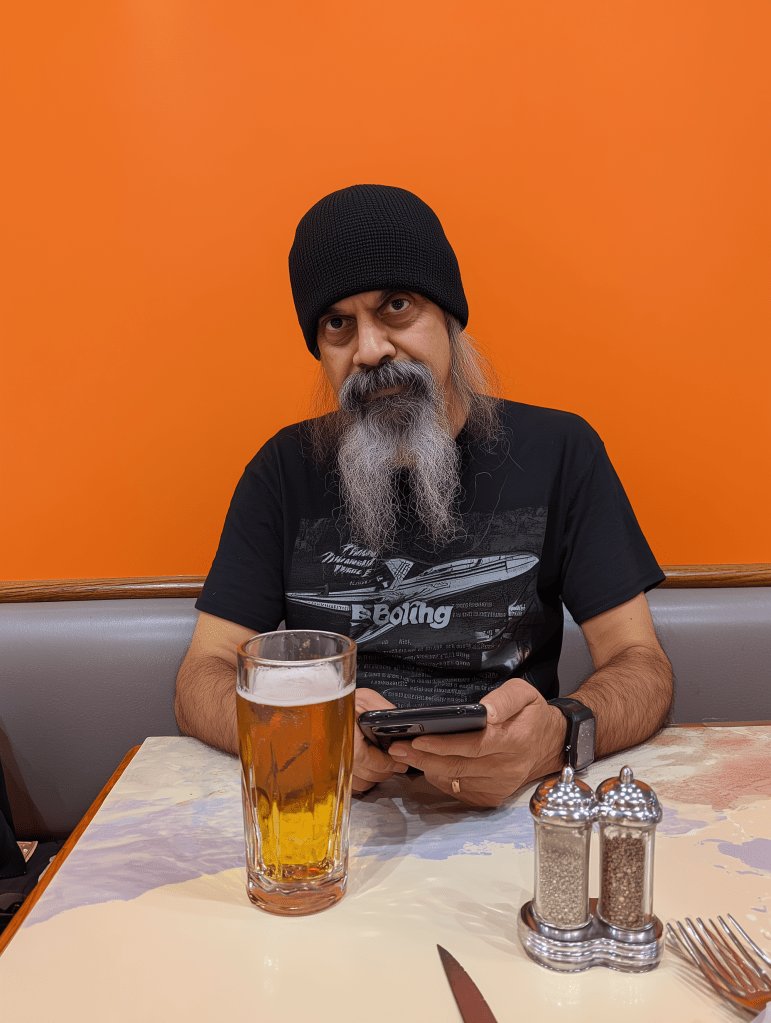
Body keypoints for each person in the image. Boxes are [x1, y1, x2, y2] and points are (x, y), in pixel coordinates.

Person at [175, 184, 673, 807]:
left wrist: (556, 737)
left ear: (449, 316)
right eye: (338, 324)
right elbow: (202, 678)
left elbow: (641, 665)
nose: (371, 349)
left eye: (397, 307)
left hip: (510, 807)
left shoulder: (561, 450)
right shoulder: (282, 469)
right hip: (329, 814)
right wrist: (299, 733)